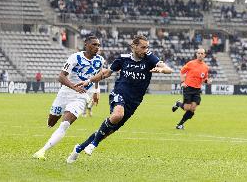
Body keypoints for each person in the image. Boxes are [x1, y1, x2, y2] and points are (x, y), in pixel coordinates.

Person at [66, 35, 173, 163]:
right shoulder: (123, 59)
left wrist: (162, 70)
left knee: (107, 131)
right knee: (117, 115)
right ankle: (93, 144)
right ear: (134, 46)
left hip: (134, 102)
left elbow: (168, 69)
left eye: (147, 47)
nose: (145, 50)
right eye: (143, 47)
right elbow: (106, 73)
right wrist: (88, 81)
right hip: (119, 93)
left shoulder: (149, 58)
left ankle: (78, 148)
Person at [33, 36, 104, 160]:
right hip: (65, 92)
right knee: (51, 122)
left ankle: (42, 151)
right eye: (94, 44)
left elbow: (98, 74)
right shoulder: (75, 57)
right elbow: (61, 77)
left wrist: (96, 91)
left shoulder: (100, 60)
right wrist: (73, 87)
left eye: (98, 45)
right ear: (86, 44)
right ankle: (54, 120)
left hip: (81, 95)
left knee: (65, 124)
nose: (97, 47)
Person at [172, 48, 211, 130]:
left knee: (192, 109)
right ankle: (178, 103)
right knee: (186, 108)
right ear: (196, 54)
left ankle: (180, 125)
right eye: (199, 53)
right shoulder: (191, 63)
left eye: (202, 53)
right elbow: (182, 71)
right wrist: (182, 82)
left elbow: (204, 78)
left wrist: (207, 81)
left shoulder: (206, 67)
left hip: (197, 90)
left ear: (204, 55)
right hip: (188, 88)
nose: (200, 55)